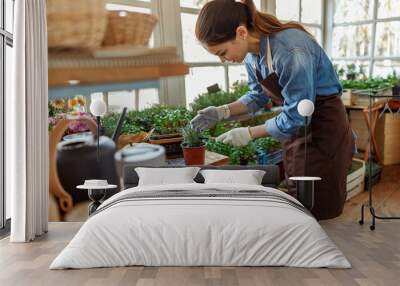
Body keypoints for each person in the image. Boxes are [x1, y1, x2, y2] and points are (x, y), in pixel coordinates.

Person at [190, 0, 354, 220]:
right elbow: (256, 97)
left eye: (222, 52)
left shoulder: (290, 49)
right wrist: (222, 111)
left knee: (319, 203)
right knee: (299, 198)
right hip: (294, 128)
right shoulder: (251, 56)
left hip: (323, 125)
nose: (223, 60)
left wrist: (249, 133)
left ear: (241, 33)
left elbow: (296, 114)